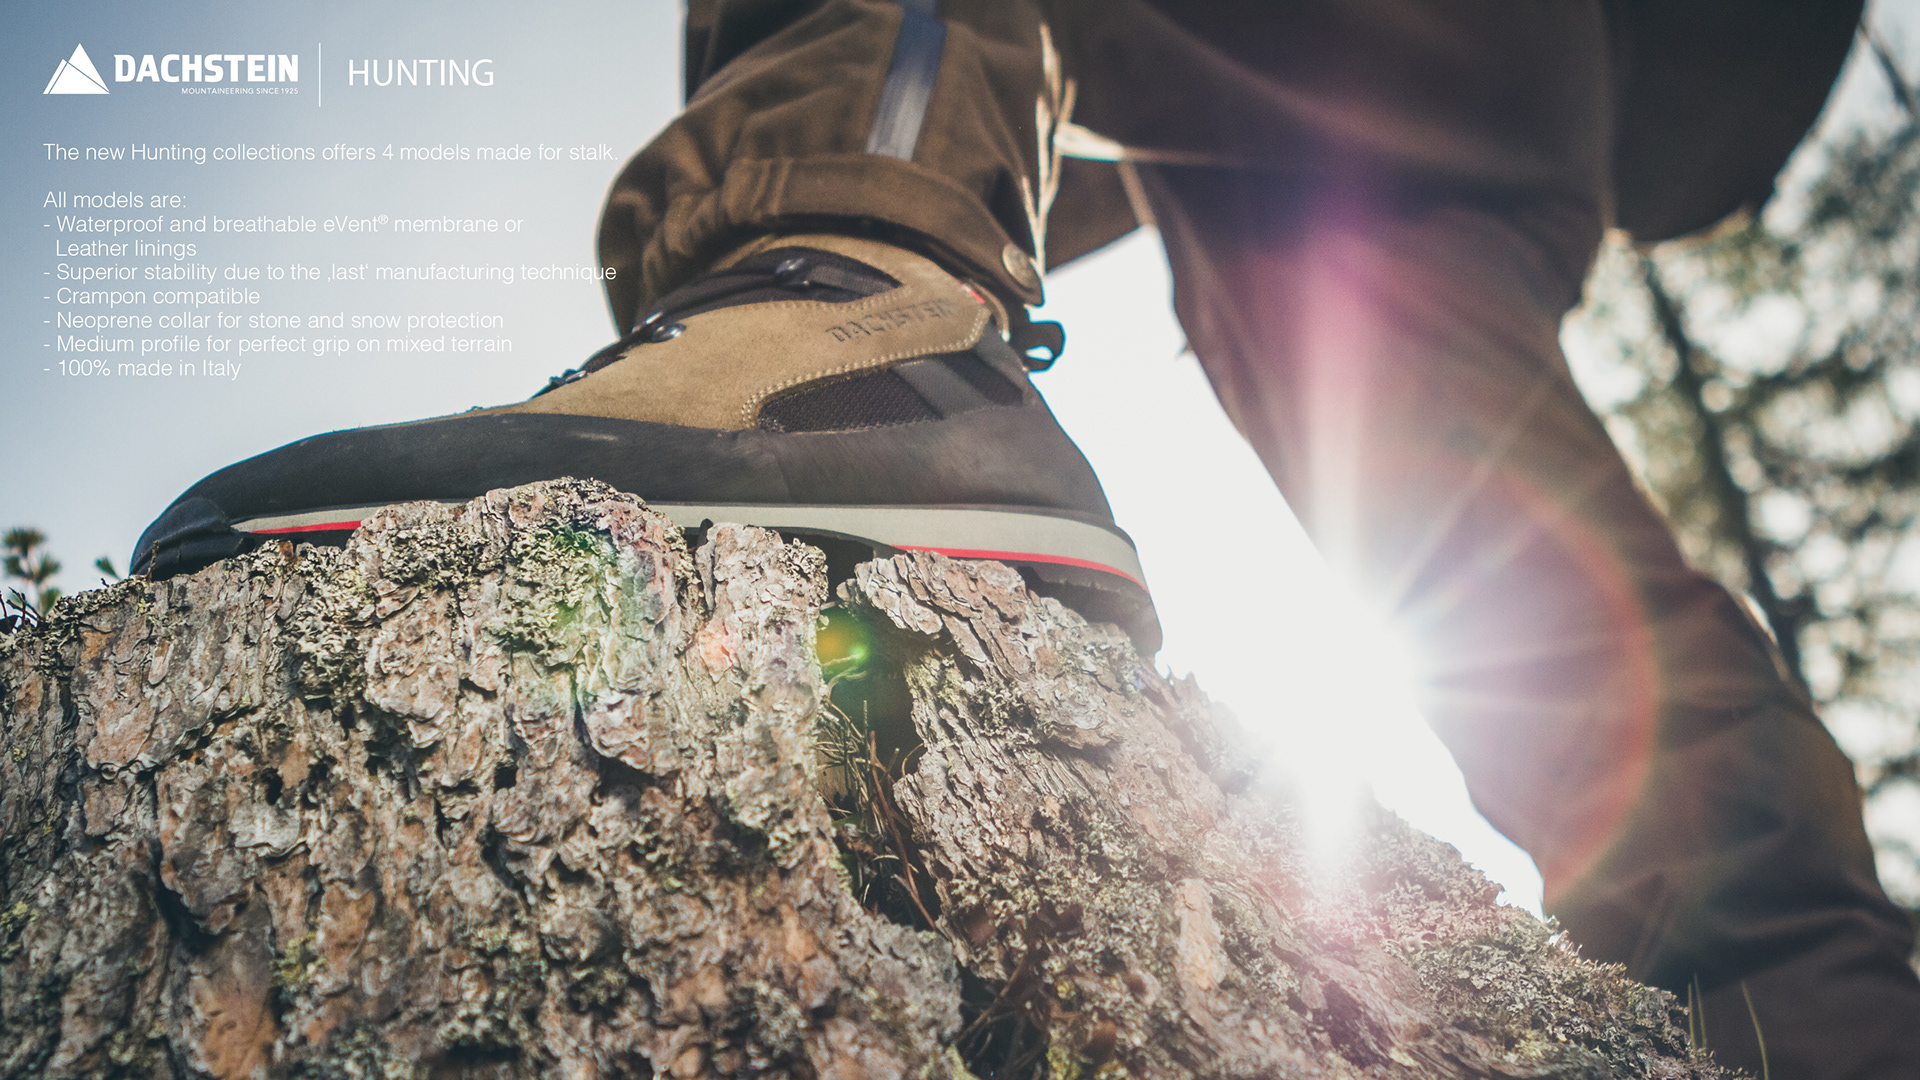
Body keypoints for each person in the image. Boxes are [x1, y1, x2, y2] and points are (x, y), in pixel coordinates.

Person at [135, 1, 1916, 1074]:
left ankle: (858, 318)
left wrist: (871, 185)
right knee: (1535, 586)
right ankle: (1814, 1013)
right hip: (1508, 98)